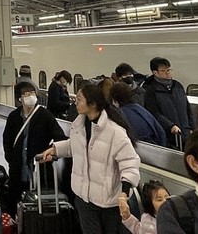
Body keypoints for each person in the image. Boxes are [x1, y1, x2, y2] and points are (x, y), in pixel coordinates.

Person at [40, 83, 141, 234]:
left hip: (109, 203)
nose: (75, 102)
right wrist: (55, 149)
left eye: (79, 99)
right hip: (84, 198)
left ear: (92, 104)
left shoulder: (115, 132)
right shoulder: (79, 125)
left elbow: (129, 163)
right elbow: (76, 145)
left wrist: (124, 195)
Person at [2, 80, 66, 218]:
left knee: (37, 208)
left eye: (32, 93)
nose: (30, 96)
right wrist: (11, 159)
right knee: (16, 204)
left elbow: (61, 138)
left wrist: (50, 152)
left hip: (40, 172)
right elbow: (7, 140)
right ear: (20, 98)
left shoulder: (45, 115)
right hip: (17, 171)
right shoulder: (14, 117)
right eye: (26, 94)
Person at [142, 57, 193, 148]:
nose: (167, 72)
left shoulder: (177, 86)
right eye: (163, 71)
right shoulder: (150, 90)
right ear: (155, 73)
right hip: (168, 135)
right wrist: (170, 126)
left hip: (185, 132)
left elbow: (187, 108)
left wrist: (192, 127)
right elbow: (154, 113)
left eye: (168, 70)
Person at [111, 82, 167, 146]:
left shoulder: (120, 115)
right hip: (156, 146)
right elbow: (161, 132)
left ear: (115, 100)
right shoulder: (140, 108)